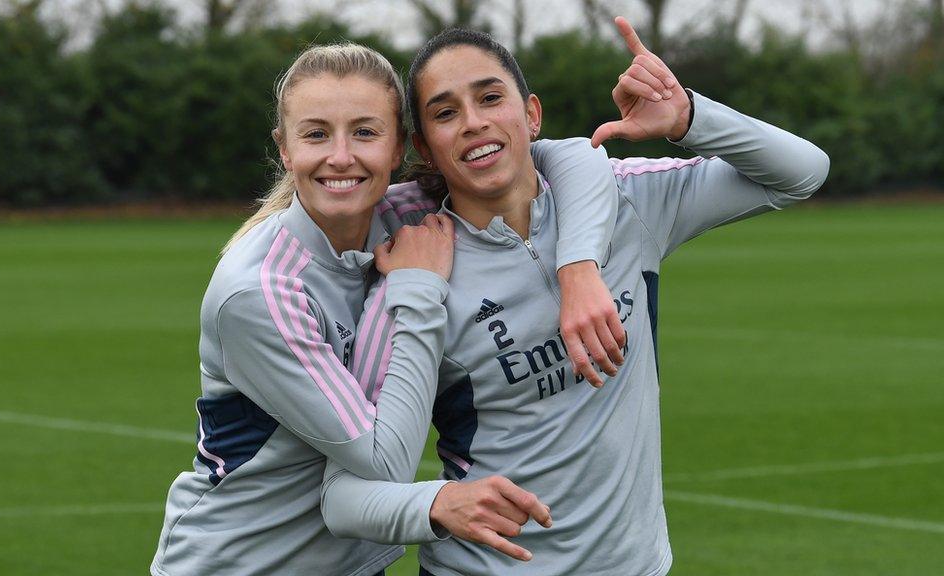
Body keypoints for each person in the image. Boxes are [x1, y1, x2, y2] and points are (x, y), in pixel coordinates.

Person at [320, 20, 830, 576]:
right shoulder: (415, 272)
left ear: (531, 114)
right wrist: (436, 505)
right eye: (445, 113)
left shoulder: (627, 202)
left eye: (491, 97)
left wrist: (687, 117)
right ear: (424, 146)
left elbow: (800, 173)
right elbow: (348, 493)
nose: (473, 122)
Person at [150, 43, 626, 576]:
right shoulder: (259, 291)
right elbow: (385, 461)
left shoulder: (400, 214)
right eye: (315, 134)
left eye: (365, 132)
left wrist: (578, 268)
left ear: (399, 147)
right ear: (284, 150)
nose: (340, 156)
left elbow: (572, 157)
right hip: (240, 564)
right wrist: (419, 290)